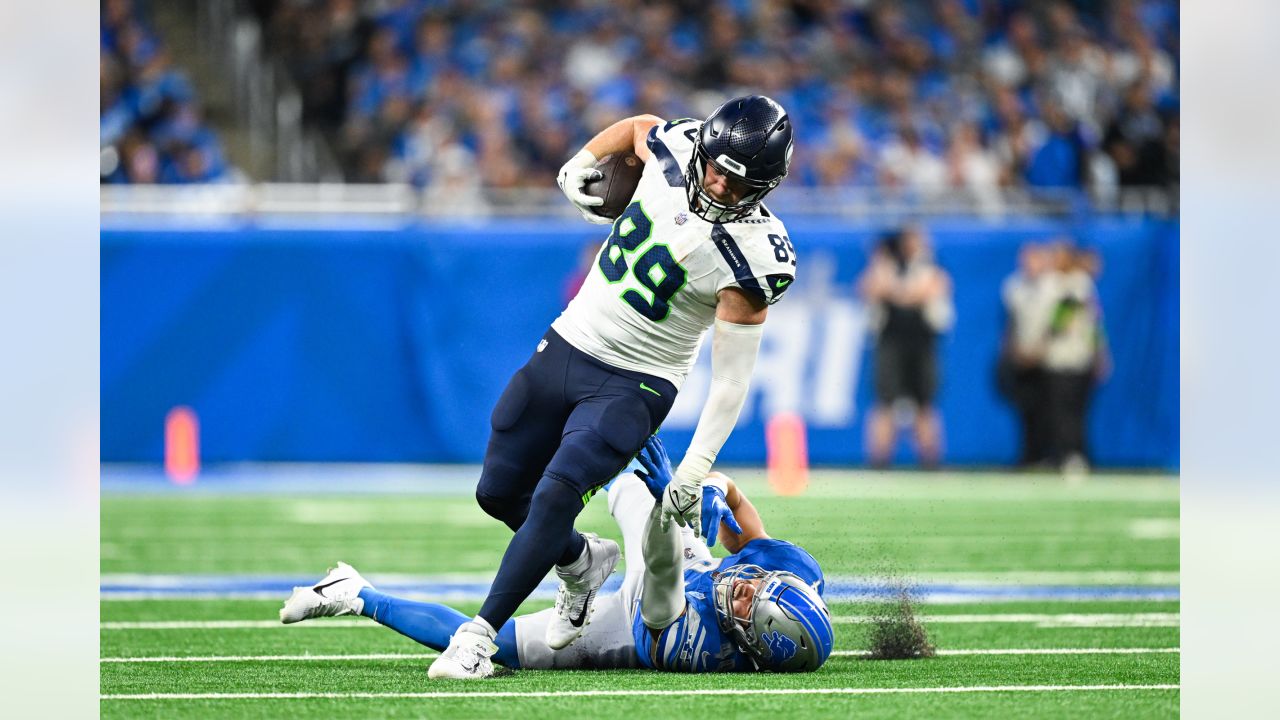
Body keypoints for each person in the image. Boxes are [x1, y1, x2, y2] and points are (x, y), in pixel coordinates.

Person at [387, 96, 797, 679]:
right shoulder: (679, 146)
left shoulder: (756, 254)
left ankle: (477, 639)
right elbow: (638, 129)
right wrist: (579, 160)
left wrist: (694, 466)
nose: (716, 183)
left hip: (639, 381)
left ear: (766, 185)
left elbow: (732, 378)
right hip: (572, 339)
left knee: (557, 493)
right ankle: (581, 560)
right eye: (713, 166)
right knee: (499, 493)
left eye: (736, 181)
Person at [280, 436, 834, 674]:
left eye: (745, 598)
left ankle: (352, 592)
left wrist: (675, 501)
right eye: (754, 584)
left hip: (644, 617)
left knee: (498, 649)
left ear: (751, 641)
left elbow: (659, 571)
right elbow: (741, 522)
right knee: (631, 455)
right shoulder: (793, 578)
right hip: (687, 569)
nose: (748, 584)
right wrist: (714, 489)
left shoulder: (700, 646)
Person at [858, 225, 954, 468]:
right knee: (884, 402)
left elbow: (921, 292)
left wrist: (892, 288)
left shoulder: (931, 268)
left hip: (922, 342)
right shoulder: (886, 266)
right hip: (890, 341)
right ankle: (879, 462)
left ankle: (930, 461)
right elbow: (867, 288)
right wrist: (881, 266)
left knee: (924, 403)